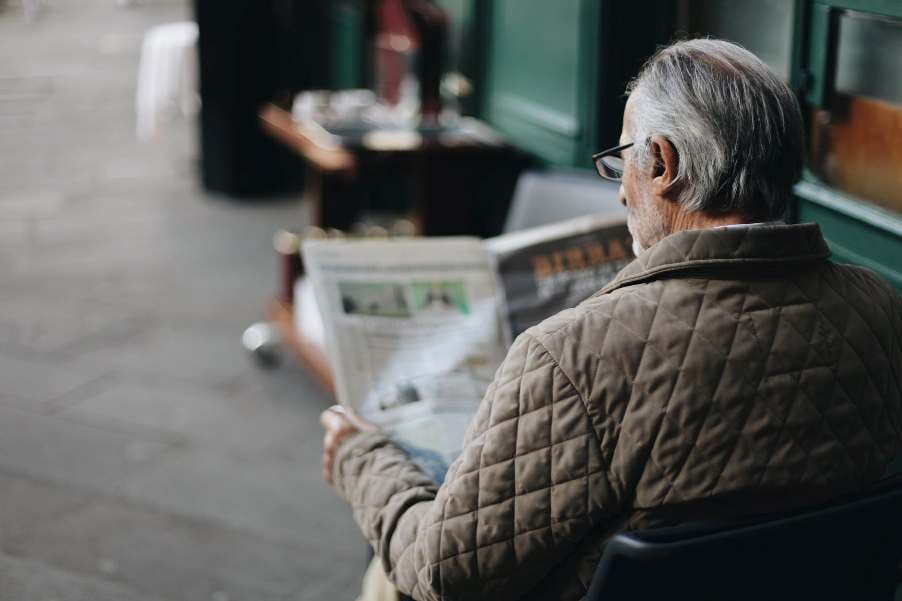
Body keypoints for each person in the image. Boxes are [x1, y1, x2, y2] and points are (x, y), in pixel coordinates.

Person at [320, 39, 902, 601]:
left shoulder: (574, 356)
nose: (621, 193)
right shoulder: (881, 308)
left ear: (663, 163)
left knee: (393, 568)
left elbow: (444, 575)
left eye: (623, 157)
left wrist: (360, 456)